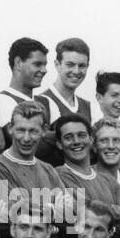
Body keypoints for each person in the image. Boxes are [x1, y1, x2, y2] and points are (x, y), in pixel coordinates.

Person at [54, 114, 120, 238]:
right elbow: (86, 214)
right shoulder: (58, 175)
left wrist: (117, 217)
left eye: (82, 135)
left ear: (91, 139)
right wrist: (119, 213)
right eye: (68, 137)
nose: (76, 141)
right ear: (59, 144)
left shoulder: (108, 180)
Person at [0, 101, 66, 238]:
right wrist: (54, 211)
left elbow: (71, 211)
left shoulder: (48, 169)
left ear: (44, 130)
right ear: (10, 128)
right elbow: (19, 215)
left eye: (33, 131)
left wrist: (37, 209)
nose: (26, 138)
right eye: (20, 130)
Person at [0, 37, 49, 157]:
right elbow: (32, 143)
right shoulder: (3, 100)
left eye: (45, 65)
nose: (44, 70)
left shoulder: (45, 101)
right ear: (18, 63)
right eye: (37, 64)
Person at [35, 37, 92, 166]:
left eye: (82, 66)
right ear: (57, 65)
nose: (76, 71)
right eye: (70, 65)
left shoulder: (88, 106)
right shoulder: (40, 102)